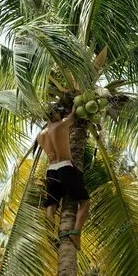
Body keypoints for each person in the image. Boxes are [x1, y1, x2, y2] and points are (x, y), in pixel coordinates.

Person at [37, 103, 90, 250]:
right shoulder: (62, 125)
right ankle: (75, 233)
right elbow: (73, 114)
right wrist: (74, 107)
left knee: (51, 205)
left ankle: (50, 237)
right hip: (65, 167)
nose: (62, 114)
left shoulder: (40, 136)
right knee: (85, 202)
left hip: (51, 171)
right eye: (60, 112)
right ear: (55, 115)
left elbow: (50, 153)